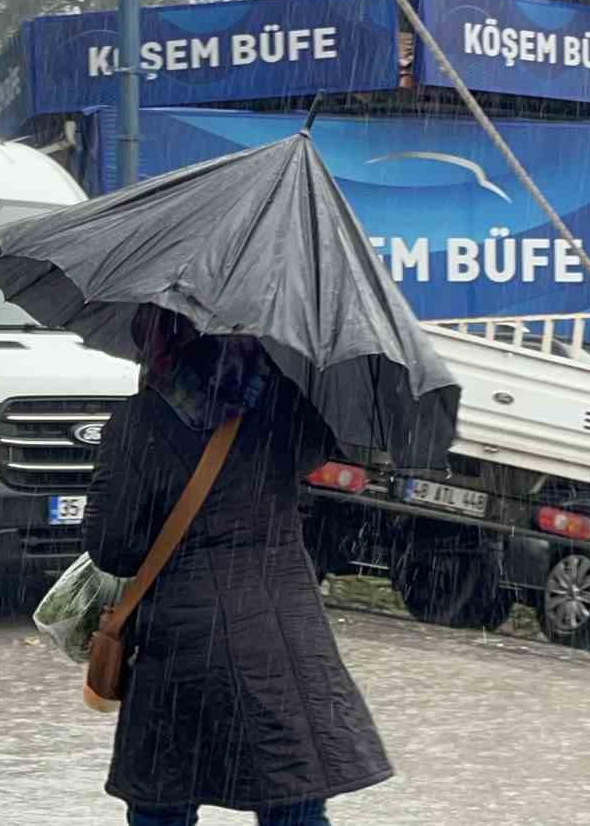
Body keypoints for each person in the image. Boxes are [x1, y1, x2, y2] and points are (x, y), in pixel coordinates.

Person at [83, 307, 392, 826]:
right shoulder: (287, 405)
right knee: (291, 797)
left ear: (156, 337)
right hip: (285, 638)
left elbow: (114, 548)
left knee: (163, 801)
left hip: (182, 648)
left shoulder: (141, 421)